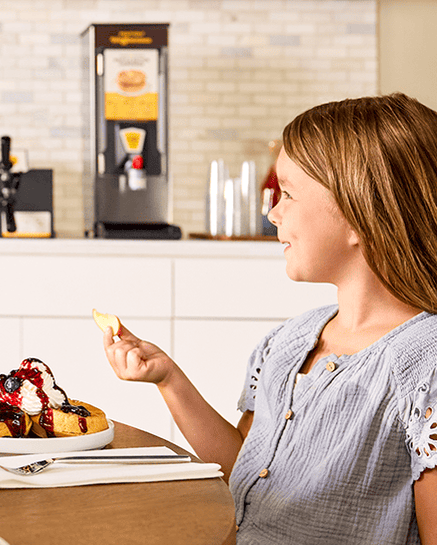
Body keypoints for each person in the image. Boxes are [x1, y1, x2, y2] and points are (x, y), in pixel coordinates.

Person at [101, 93, 437, 544]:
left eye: (289, 195)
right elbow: (244, 467)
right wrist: (169, 379)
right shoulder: (291, 340)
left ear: (361, 214)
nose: (273, 212)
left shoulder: (426, 367)